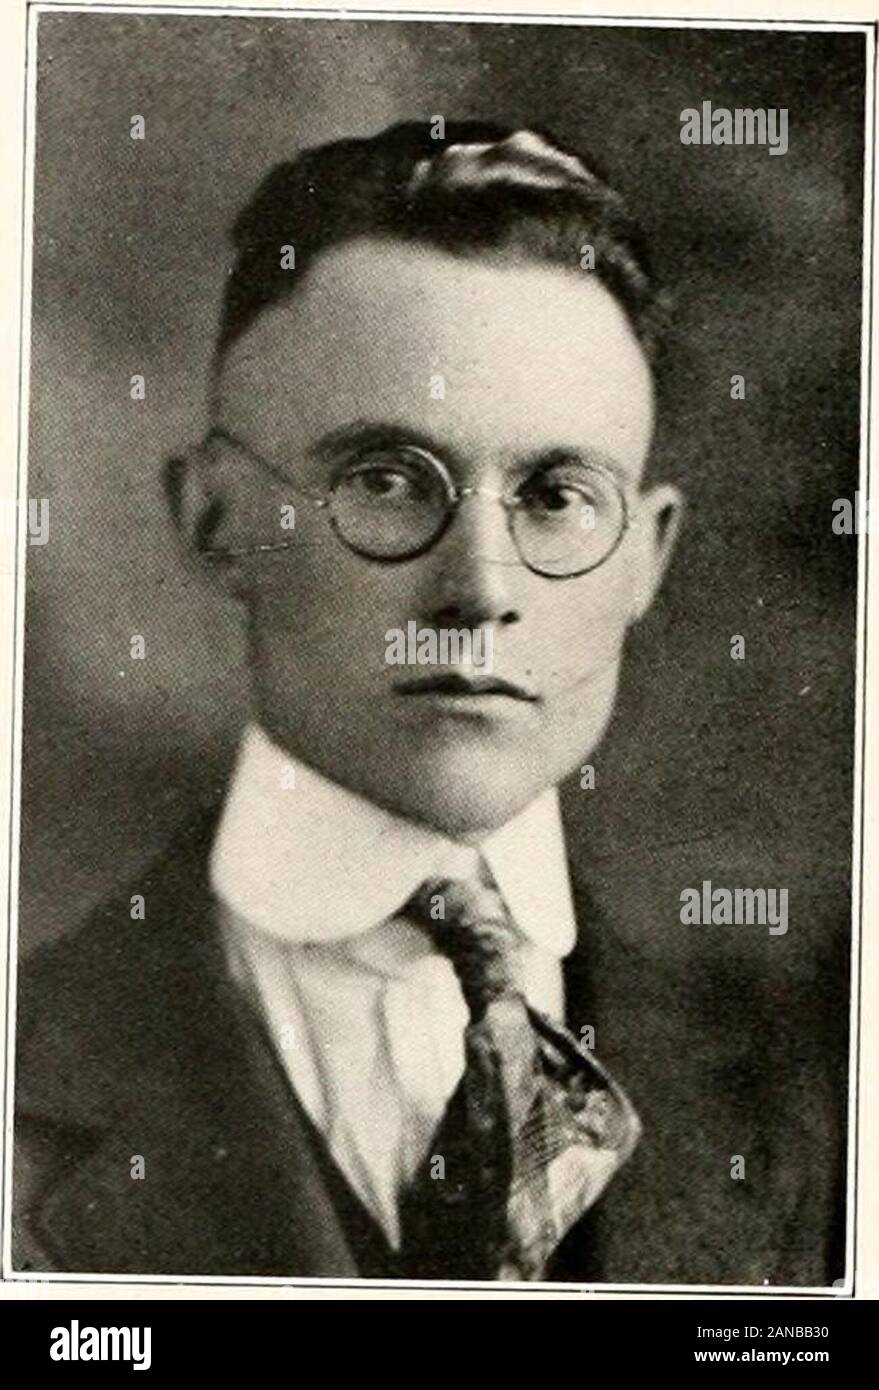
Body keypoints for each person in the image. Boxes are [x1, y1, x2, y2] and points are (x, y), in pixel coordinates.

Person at [13, 120, 843, 1285]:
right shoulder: (25, 1072)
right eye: (390, 481)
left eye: (556, 497)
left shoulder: (809, 1096)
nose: (482, 590)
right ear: (217, 521)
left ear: (646, 558)